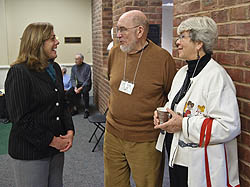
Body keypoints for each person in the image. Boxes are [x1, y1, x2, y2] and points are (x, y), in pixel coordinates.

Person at [154, 16, 241, 186]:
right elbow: (175, 103)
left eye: (182, 37)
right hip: (176, 157)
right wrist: (162, 114)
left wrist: (183, 124)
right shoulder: (182, 72)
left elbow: (229, 126)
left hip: (200, 165)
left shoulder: (217, 77)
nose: (177, 42)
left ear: (199, 43)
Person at [104, 10, 176, 187]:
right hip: (112, 134)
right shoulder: (115, 53)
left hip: (146, 139)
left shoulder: (162, 59)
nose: (118, 35)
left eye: (123, 30)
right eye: (117, 30)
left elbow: (171, 97)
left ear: (140, 31)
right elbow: (112, 85)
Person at [4, 22, 74, 187]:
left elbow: (62, 103)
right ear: (37, 43)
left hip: (56, 149)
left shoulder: (55, 68)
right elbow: (20, 119)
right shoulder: (19, 72)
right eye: (52, 38)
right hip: (30, 151)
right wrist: (52, 140)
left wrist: (70, 131)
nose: (57, 42)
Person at [68, 53, 91, 118]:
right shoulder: (73, 67)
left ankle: (87, 110)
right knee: (69, 93)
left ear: (82, 59)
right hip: (78, 84)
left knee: (85, 92)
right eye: (75, 59)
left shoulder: (87, 67)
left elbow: (88, 80)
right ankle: (75, 108)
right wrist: (75, 87)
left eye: (77, 59)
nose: (75, 61)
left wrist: (80, 88)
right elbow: (72, 78)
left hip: (86, 84)